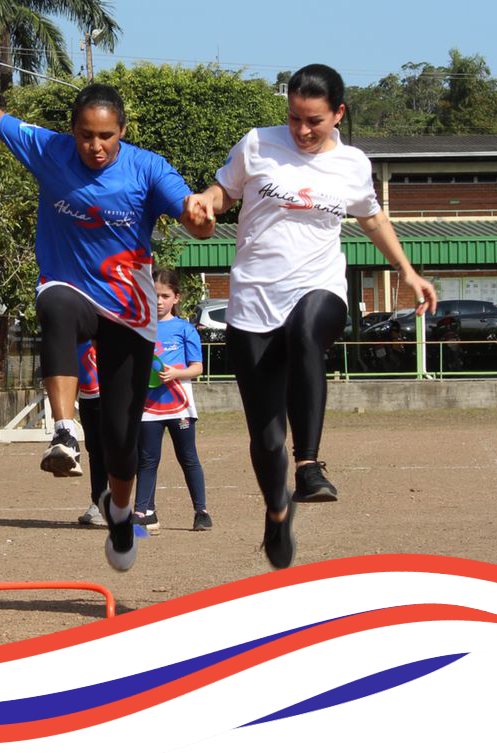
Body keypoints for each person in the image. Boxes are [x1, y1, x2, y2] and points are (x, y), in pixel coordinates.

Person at [0, 47, 213, 571]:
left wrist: (200, 216)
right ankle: (63, 430)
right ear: (73, 130)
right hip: (72, 287)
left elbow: (193, 213)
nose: (95, 146)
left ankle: (121, 512)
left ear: (121, 131)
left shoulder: (148, 168)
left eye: (106, 135)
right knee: (55, 306)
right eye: (86, 134)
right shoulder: (49, 150)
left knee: (124, 443)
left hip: (129, 310)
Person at [184, 64, 437, 570]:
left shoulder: (352, 164)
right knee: (266, 438)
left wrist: (406, 271)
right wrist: (202, 206)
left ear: (338, 113)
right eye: (295, 118)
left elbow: (371, 216)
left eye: (314, 121)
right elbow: (222, 193)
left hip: (318, 284)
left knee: (307, 329)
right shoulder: (257, 144)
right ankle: (277, 513)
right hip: (253, 303)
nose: (302, 130)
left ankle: (310, 466)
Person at [132, 269, 212, 533]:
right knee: (147, 460)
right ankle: (142, 513)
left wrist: (176, 373)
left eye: (165, 296)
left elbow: (197, 367)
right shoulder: (140, 328)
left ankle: (201, 511)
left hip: (180, 406)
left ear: (176, 298)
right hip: (149, 408)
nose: (158, 301)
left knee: (188, 457)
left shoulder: (185, 328)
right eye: (154, 295)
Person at [76, 340, 107, 527]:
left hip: (107, 397)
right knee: (95, 452)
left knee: (110, 451)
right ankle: (98, 504)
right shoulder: (76, 335)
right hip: (87, 399)